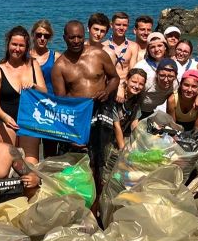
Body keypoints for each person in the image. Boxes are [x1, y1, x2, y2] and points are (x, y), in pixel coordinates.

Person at [52, 20, 119, 200]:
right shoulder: (60, 65)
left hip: (99, 114)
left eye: (79, 37)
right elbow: (61, 103)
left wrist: (106, 91)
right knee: (75, 166)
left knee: (99, 164)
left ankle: (98, 207)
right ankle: (77, 203)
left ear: (84, 36)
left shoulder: (99, 54)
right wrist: (71, 133)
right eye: (71, 37)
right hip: (76, 118)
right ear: (64, 38)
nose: (76, 41)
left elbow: (114, 78)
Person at [0, 26, 45, 162]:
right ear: (8, 44)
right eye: (14, 44)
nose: (17, 49)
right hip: (5, 121)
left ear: (26, 47)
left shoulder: (33, 64)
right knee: (8, 164)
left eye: (21, 45)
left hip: (29, 121)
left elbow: (44, 93)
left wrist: (34, 86)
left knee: (31, 165)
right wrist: (5, 118)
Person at [104, 12, 139, 97]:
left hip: (125, 88)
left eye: (124, 25)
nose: (121, 28)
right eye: (118, 24)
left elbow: (132, 71)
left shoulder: (133, 46)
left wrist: (122, 87)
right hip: (108, 88)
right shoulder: (103, 46)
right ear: (111, 25)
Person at [30, 19, 61, 95]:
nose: (42, 39)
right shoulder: (24, 56)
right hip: (30, 101)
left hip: (50, 101)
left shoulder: (56, 57)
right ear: (33, 35)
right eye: (39, 35)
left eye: (46, 36)